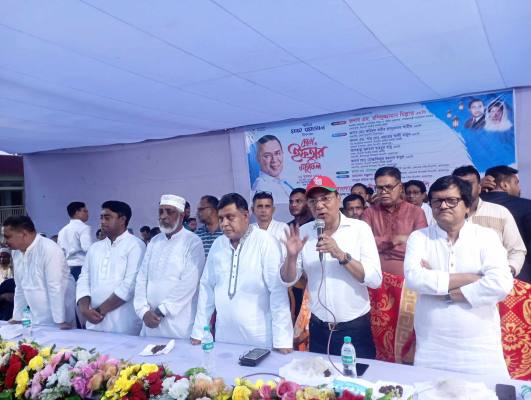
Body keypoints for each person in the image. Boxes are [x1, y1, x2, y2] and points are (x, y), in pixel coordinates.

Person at [404, 175, 513, 376]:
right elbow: (414, 279)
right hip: (432, 347)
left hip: (481, 347)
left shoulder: (486, 237)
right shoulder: (419, 238)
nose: (443, 206)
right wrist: (473, 278)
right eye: (437, 201)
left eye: (451, 200)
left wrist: (444, 291)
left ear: (467, 206)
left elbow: (501, 284)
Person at [280, 176, 381, 357]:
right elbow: (288, 280)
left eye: (325, 199)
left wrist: (341, 255)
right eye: (313, 201)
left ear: (338, 199)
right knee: (321, 375)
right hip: (318, 328)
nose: (319, 205)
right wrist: (291, 257)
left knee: (357, 375)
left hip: (354, 328)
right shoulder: (303, 233)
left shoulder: (359, 229)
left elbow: (374, 279)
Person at [191, 193, 293, 351]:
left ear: (245, 216)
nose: (224, 224)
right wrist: (199, 331)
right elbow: (207, 288)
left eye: (230, 217)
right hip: (224, 336)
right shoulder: (218, 245)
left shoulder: (265, 241)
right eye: (221, 218)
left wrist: (282, 341)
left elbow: (277, 292)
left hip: (259, 337)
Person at [361, 166, 427, 363]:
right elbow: (364, 245)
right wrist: (394, 240)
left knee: (408, 332)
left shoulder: (416, 212)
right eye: (379, 188)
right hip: (376, 285)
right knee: (378, 331)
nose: (384, 192)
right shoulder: (369, 213)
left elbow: (421, 247)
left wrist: (381, 244)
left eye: (389, 187)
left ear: (400, 187)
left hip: (407, 286)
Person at [135, 195, 205, 338]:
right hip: (149, 322)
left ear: (181, 215)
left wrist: (161, 311)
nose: (163, 216)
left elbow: (189, 283)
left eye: (169, 211)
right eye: (161, 211)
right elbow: (142, 278)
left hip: (178, 324)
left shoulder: (193, 241)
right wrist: (143, 311)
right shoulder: (154, 241)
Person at [76, 201, 145, 335]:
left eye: (107, 218)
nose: (102, 222)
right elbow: (84, 278)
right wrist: (84, 309)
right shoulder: (95, 248)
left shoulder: (136, 245)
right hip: (94, 322)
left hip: (123, 323)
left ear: (122, 220)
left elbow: (130, 285)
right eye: (101, 218)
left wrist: (99, 311)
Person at [452, 165, 526, 278]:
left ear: (479, 187)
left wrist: (508, 271)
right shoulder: (444, 215)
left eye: (468, 184)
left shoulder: (500, 212)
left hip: (494, 282)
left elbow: (517, 250)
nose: (464, 189)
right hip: (455, 283)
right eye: (459, 185)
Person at [3, 216, 75, 329]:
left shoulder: (49, 249)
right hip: (35, 317)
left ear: (23, 234)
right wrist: (17, 317)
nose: (5, 242)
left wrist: (60, 320)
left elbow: (55, 287)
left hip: (58, 319)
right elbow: (20, 287)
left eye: (8, 237)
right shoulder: (16, 252)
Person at [481, 165, 531, 283]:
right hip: (520, 275)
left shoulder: (468, 206)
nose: (519, 188)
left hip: (479, 276)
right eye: (516, 183)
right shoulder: (527, 206)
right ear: (504, 185)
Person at [251, 135, 293, 204]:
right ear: (258, 158)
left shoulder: (284, 182)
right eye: (267, 156)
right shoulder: (261, 187)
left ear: (282, 153)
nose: (274, 160)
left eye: (277, 153)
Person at [57, 201, 92, 281]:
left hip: (66, 268)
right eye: (85, 211)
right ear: (77, 212)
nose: (88, 214)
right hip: (81, 266)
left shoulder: (62, 231)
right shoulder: (84, 227)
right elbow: (87, 248)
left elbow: (60, 252)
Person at [0, 248, 15, 321]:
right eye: (0, 257)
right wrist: (3, 296)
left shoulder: (14, 270)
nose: (2, 259)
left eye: (5, 257)